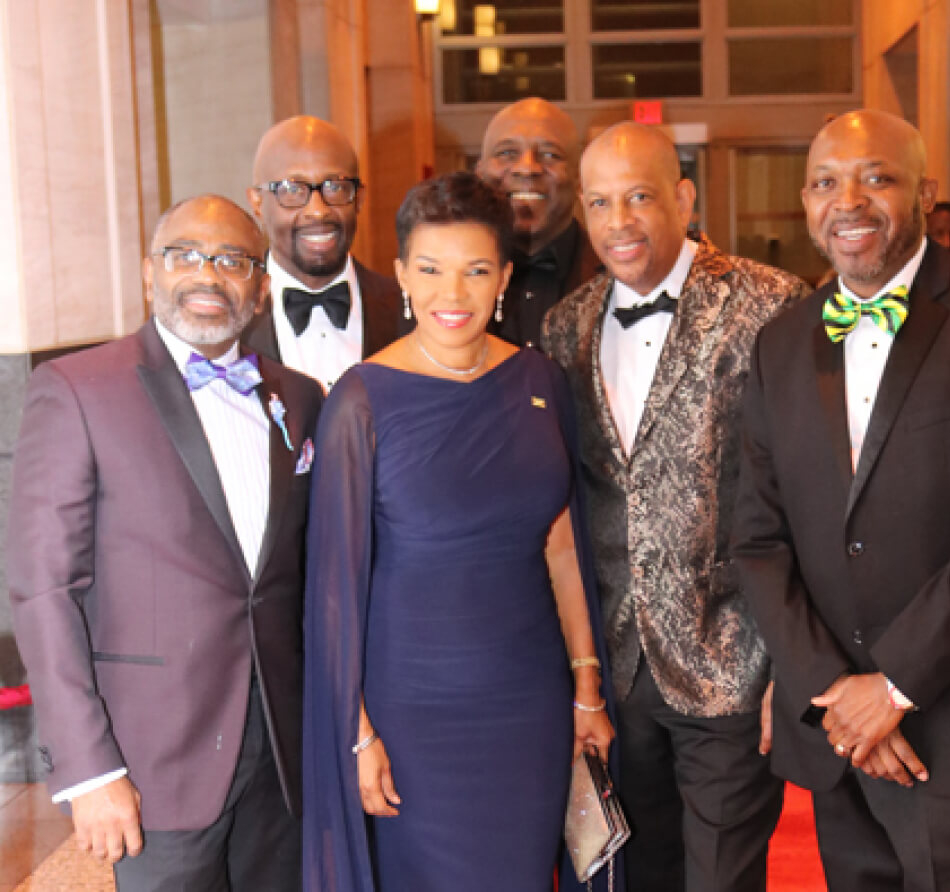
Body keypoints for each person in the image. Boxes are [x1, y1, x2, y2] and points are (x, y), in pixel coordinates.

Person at [732, 109, 950, 891]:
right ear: (805, 202)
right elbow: (757, 538)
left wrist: (892, 687)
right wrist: (838, 697)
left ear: (925, 191)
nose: (848, 199)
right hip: (838, 738)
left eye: (875, 176)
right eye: (826, 182)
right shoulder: (781, 343)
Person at [302, 171, 616, 892]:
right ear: (403, 274)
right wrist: (356, 734)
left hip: (528, 705)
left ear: (504, 276)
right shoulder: (362, 400)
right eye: (432, 270)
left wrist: (586, 689)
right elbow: (334, 588)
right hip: (410, 715)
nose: (453, 294)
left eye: (476, 271)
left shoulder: (541, 382)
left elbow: (562, 547)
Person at [7, 195, 323, 891]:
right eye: (186, 254)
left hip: (280, 756)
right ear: (150, 271)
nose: (207, 275)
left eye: (233, 260)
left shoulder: (298, 399)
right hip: (154, 763)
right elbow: (43, 590)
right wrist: (90, 768)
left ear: (261, 285)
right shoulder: (77, 389)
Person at [543, 122, 807, 892]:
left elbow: (804, 492)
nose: (618, 222)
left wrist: (789, 668)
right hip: (617, 673)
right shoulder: (566, 325)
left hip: (734, 659)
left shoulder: (771, 303)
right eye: (598, 202)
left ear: (684, 197)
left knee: (723, 878)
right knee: (640, 874)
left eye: (639, 197)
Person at [244, 115, 412, 391]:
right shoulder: (231, 317)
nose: (318, 210)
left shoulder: (410, 312)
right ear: (258, 202)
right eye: (293, 189)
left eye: (335, 187)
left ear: (359, 198)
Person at [476, 97, 600, 348]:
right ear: (480, 172)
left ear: (579, 177)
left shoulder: (618, 277)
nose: (527, 168)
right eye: (507, 153)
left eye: (549, 154)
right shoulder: (441, 283)